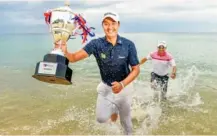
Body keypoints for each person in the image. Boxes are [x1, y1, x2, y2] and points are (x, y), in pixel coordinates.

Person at [60, 11, 140, 135]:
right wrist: (65, 51)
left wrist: (122, 84)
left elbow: (136, 69)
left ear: (118, 25)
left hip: (125, 88)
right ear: (102, 26)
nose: (110, 27)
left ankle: (118, 112)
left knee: (127, 125)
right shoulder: (96, 44)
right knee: (101, 119)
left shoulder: (129, 45)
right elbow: (74, 58)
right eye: (106, 24)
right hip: (106, 87)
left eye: (113, 23)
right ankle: (114, 110)